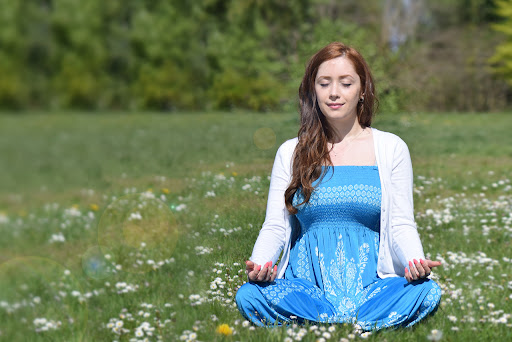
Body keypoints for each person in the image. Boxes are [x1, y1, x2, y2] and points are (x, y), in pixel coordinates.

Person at [235, 42, 442, 330]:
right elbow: (275, 225)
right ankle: (354, 322)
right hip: (307, 289)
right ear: (313, 90)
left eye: (346, 83)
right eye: (324, 83)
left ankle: (332, 322)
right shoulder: (290, 152)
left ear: (362, 90)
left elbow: (401, 223)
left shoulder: (391, 148)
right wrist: (260, 266)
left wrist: (414, 262)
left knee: (427, 291)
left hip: (373, 287)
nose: (334, 93)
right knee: (249, 296)